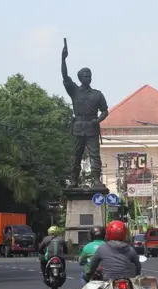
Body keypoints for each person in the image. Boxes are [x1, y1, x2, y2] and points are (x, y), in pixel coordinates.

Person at [61, 38, 109, 188]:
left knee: (95, 155)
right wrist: (63, 59)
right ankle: (74, 179)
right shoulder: (74, 90)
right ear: (80, 78)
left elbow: (105, 110)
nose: (88, 77)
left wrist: (98, 120)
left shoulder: (97, 94)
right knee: (76, 155)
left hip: (92, 126)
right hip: (78, 127)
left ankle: (96, 179)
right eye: (85, 76)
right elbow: (64, 76)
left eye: (90, 75)